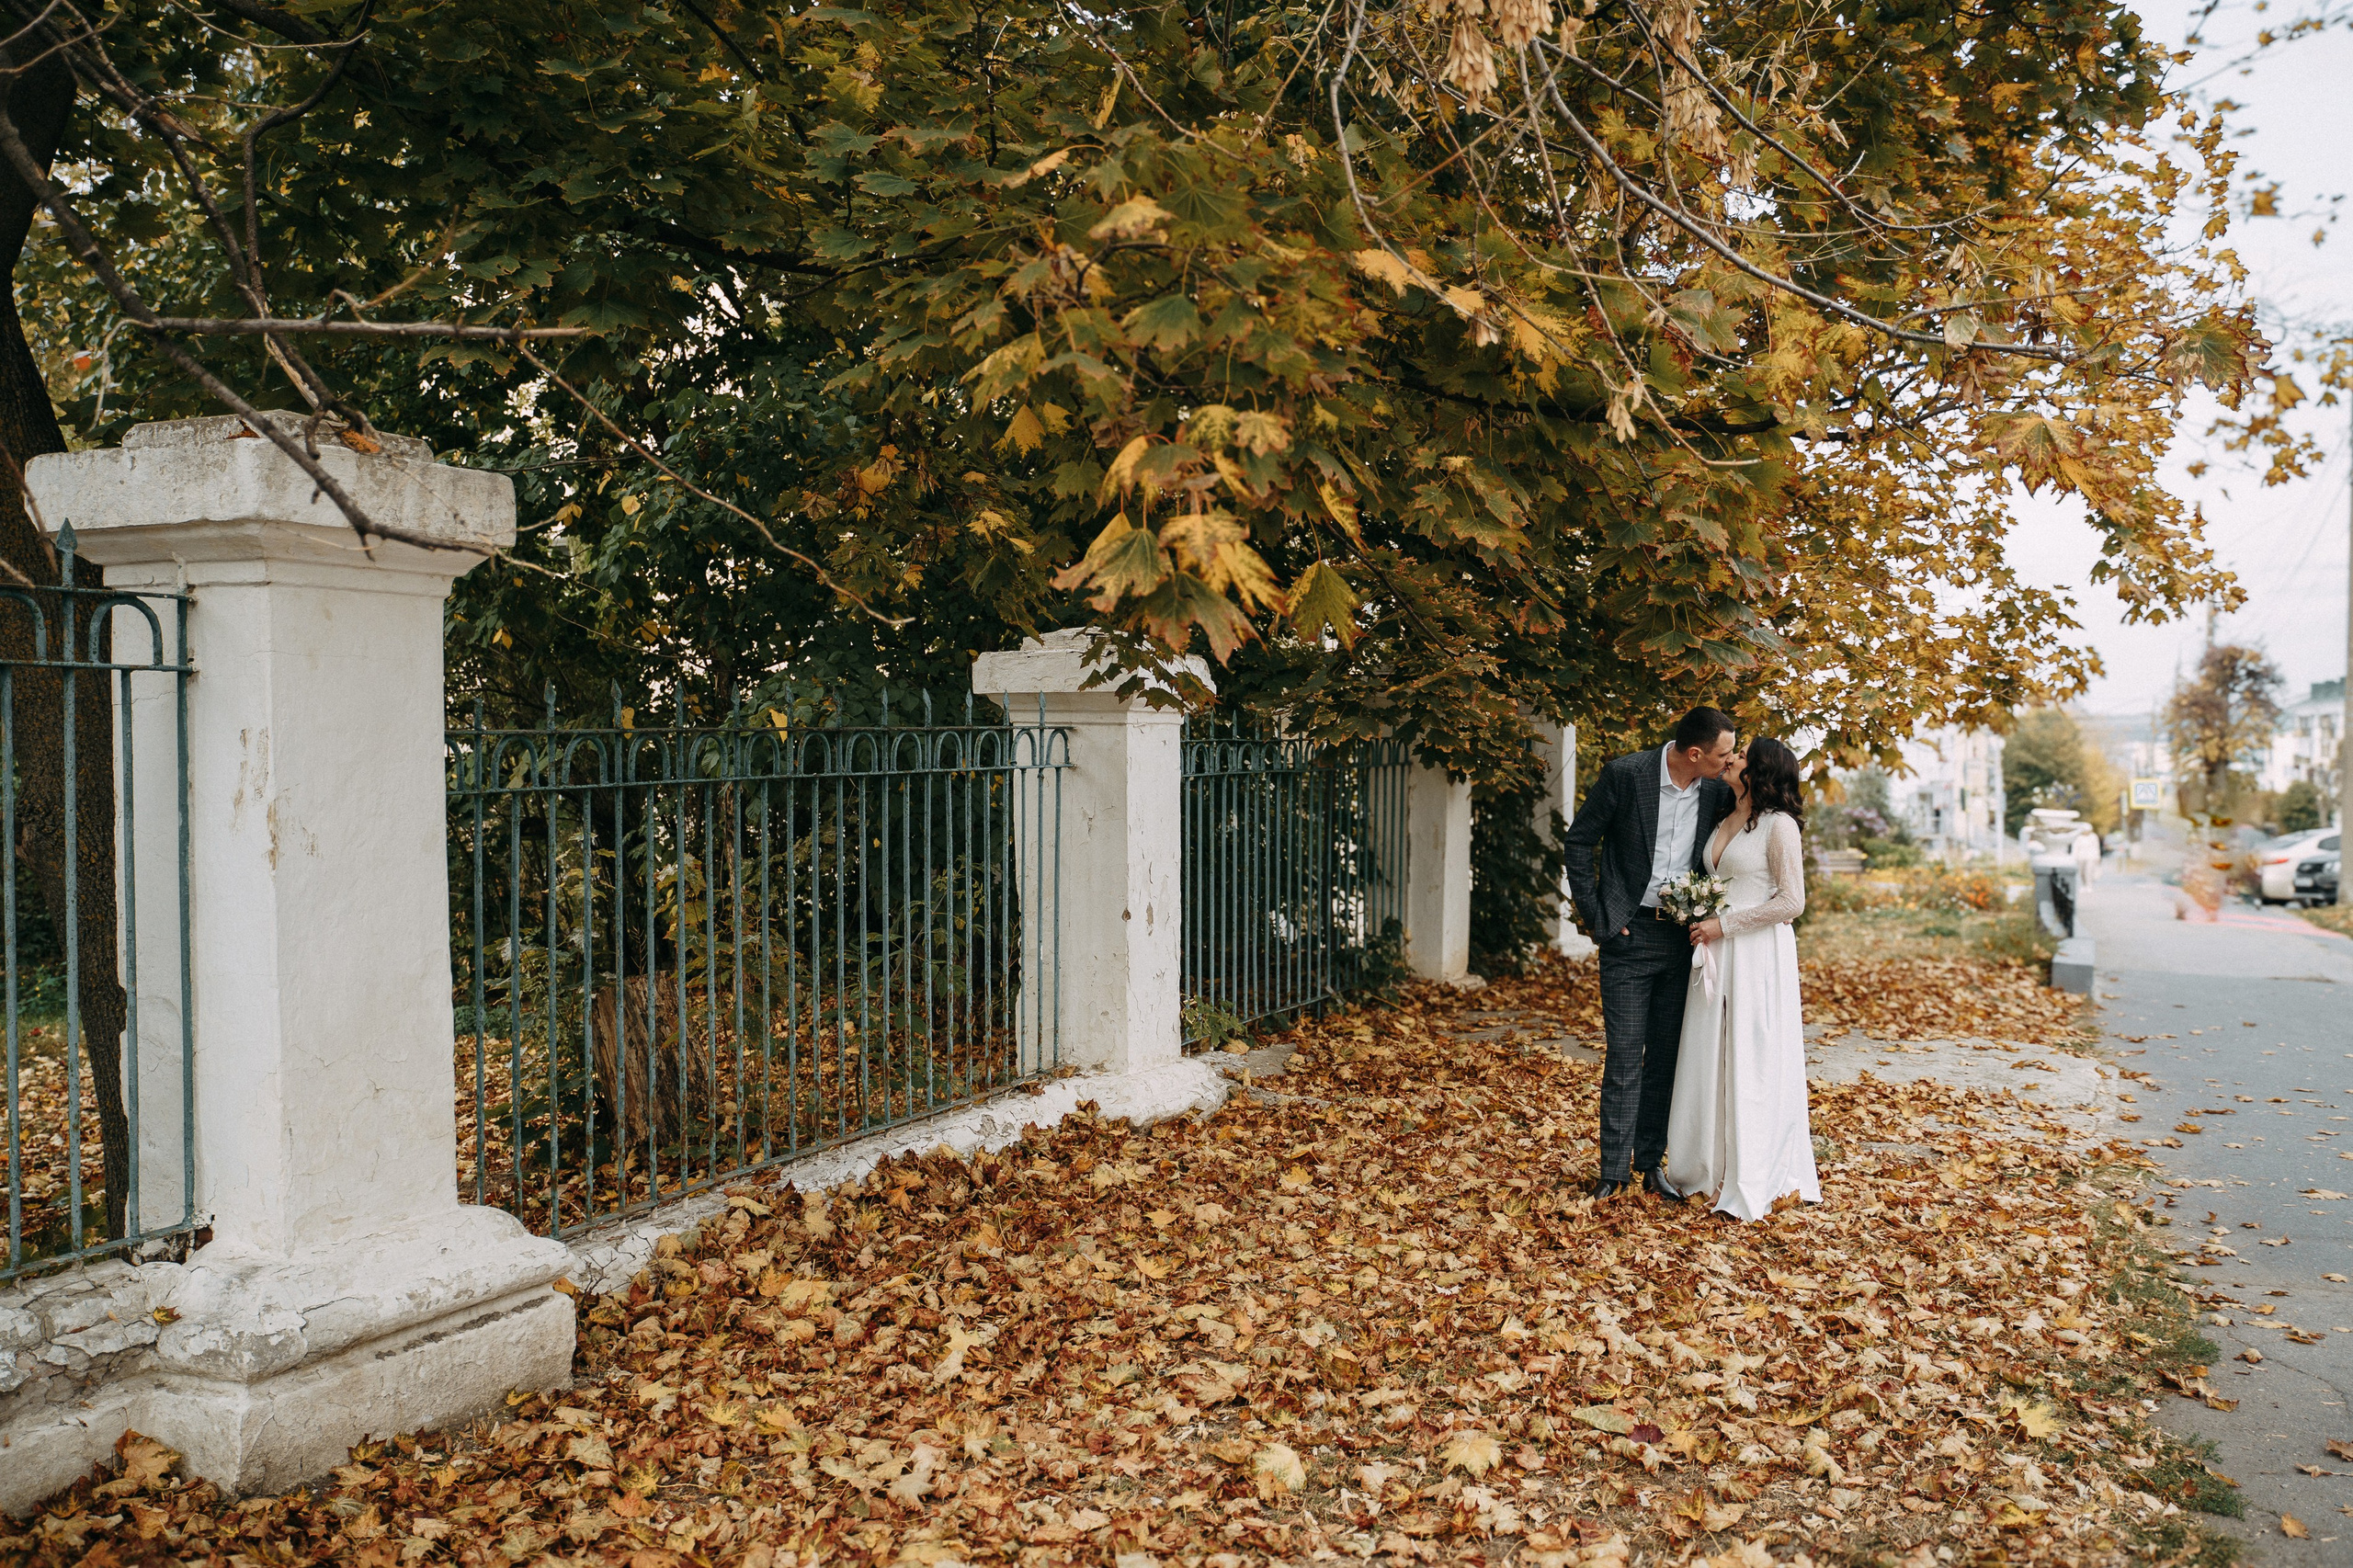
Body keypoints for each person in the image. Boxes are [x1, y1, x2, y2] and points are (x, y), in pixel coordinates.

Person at [1562, 708, 1739, 1200]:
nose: (1729, 763)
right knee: (1623, 1057)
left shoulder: (1719, 790)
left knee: (1664, 1059)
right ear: (1696, 753)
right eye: (1724, 754)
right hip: (1627, 935)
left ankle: (1649, 1165)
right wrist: (1599, 917)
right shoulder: (1626, 774)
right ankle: (1612, 1172)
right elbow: (1579, 842)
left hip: (1685, 939)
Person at [1662, 737, 1820, 1221]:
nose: (1731, 758)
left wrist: (1724, 925)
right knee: (1711, 1053)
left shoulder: (1780, 827)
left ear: (1763, 772)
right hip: (1716, 951)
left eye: (1743, 755)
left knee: (1750, 1055)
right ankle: (1707, 1166)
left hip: (1756, 953)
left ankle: (1751, 1172)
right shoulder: (1725, 817)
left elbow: (1792, 902)